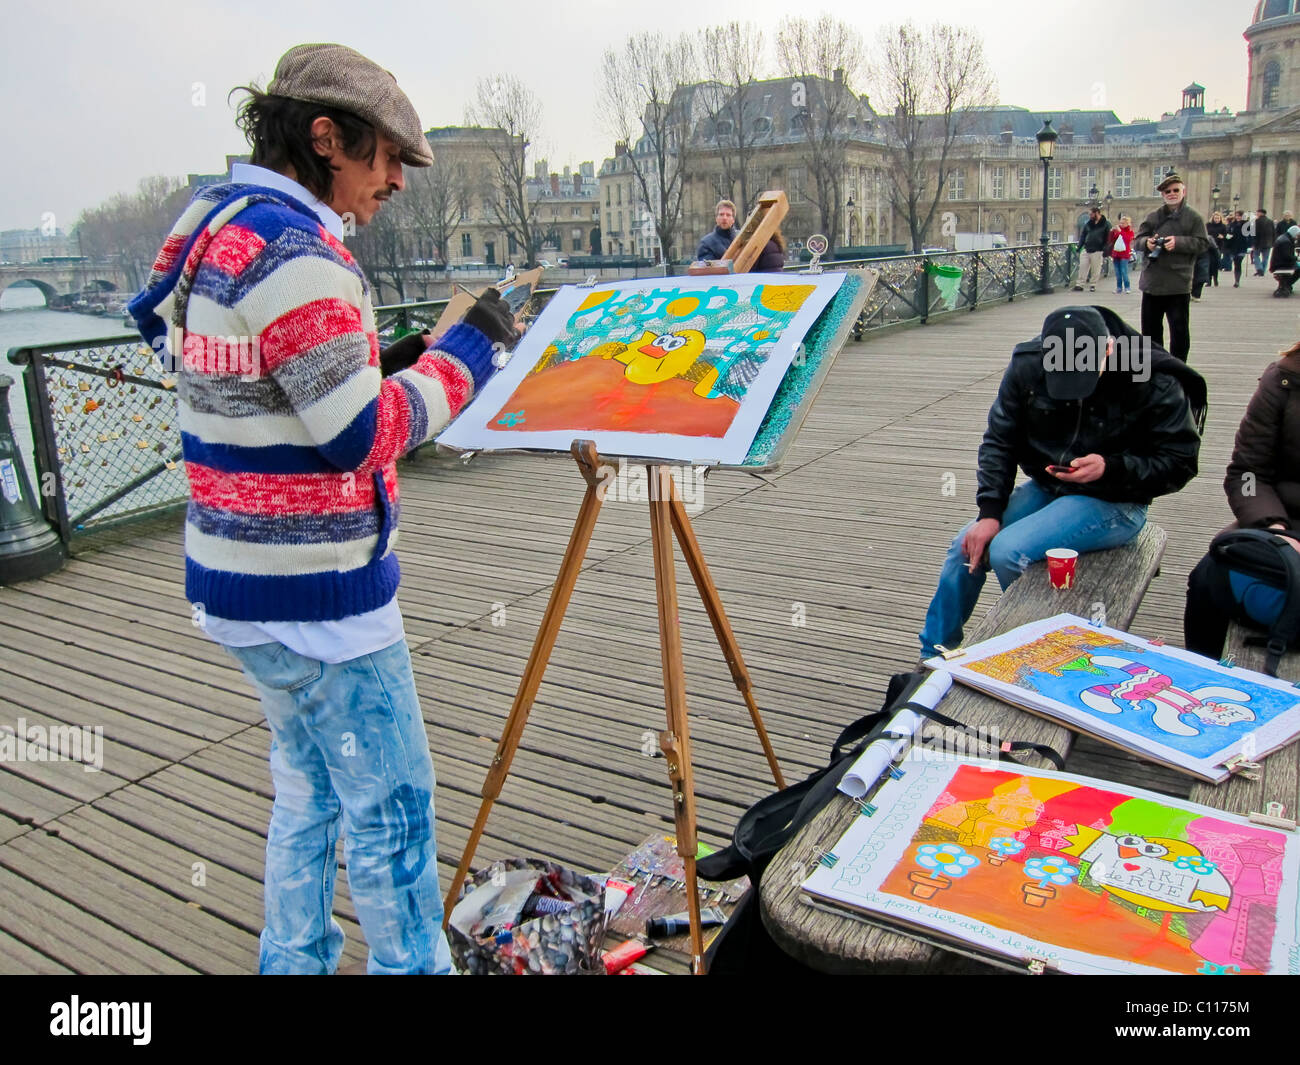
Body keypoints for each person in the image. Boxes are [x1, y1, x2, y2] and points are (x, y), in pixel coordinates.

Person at [128, 43, 522, 975]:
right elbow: (357, 436)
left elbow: (274, 387)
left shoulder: (223, 228)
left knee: (308, 792)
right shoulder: (295, 250)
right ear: (323, 137)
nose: (395, 178)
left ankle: (293, 959)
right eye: (384, 153)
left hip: (241, 586)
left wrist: (399, 352)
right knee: (392, 805)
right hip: (321, 604)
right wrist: (464, 358)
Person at [917, 305, 1205, 659]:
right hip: (1049, 487)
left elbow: (1181, 462)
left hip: (1117, 499)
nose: (1075, 392)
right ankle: (933, 656)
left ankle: (1037, 654)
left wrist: (1110, 467)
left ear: (1109, 349)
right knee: (966, 545)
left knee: (1009, 551)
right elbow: (999, 440)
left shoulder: (1150, 379)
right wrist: (989, 511)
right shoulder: (1028, 364)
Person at [1184, 338, 1300, 659]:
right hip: (1280, 522)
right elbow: (1246, 475)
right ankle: (1203, 670)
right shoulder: (1283, 379)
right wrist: (1274, 529)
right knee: (1207, 577)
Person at [1135, 173, 1210, 363]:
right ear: (1163, 195)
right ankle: (1155, 364)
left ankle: (1178, 365)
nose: (1172, 194)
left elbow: (1202, 244)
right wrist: (1148, 244)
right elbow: (1137, 241)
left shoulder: (1193, 217)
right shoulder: (1153, 216)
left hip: (1178, 282)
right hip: (1153, 282)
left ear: (1183, 191)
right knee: (1150, 331)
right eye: (1167, 191)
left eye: (1175, 190)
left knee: (1179, 329)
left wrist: (1178, 242)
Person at [1072, 206, 1110, 292]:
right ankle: (1080, 284)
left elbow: (1108, 237)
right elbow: (1083, 235)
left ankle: (1093, 284)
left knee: (1095, 268)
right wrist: (1079, 247)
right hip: (1087, 248)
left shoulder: (1106, 224)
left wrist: (1105, 248)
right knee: (1082, 266)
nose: (1090, 216)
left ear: (1096, 213)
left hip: (1098, 249)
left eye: (1091, 214)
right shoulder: (1089, 224)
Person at [1196, 210, 1228, 297]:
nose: (1216, 219)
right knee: (1209, 264)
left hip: (1218, 246)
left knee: (1215, 263)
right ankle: (1209, 281)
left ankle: (1215, 279)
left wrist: (1223, 236)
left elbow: (1226, 235)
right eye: (1215, 218)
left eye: (1218, 218)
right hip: (1208, 246)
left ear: (1220, 219)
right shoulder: (1208, 225)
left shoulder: (1223, 226)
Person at [1270, 223, 1300, 297]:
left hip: (1279, 262)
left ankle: (1287, 284)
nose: (1297, 237)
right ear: (1294, 233)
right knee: (1299, 269)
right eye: (1297, 235)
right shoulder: (1286, 241)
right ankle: (1287, 284)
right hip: (1281, 264)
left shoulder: (1285, 238)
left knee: (1298, 267)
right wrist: (1296, 258)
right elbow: (1287, 256)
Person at [1109, 215, 1136, 294]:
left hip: (1124, 254)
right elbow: (1111, 240)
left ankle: (1127, 287)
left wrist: (1120, 231)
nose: (1121, 225)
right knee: (1117, 272)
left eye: (1123, 223)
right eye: (1120, 223)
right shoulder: (1117, 231)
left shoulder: (1130, 231)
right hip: (1116, 253)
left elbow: (1127, 240)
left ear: (1127, 224)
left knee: (1124, 271)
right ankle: (1119, 287)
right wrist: (1111, 232)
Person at [1226, 210, 1249, 287]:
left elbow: (1251, 236)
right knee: (1236, 263)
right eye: (1237, 215)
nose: (1238, 217)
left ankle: (1237, 281)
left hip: (1242, 246)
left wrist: (1250, 246)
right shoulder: (1232, 224)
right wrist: (1228, 237)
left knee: (1238, 262)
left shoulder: (1247, 225)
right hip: (1233, 246)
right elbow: (1228, 233)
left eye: (1239, 216)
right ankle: (1236, 280)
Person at [1253, 208, 1276, 277]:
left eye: (1257, 213)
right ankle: (1262, 270)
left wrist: (1253, 243)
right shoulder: (1270, 221)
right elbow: (1274, 232)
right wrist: (1273, 242)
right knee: (1265, 258)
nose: (1256, 214)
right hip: (1268, 243)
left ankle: (1259, 269)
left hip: (1258, 243)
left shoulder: (1256, 221)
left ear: (1261, 213)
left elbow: (1254, 233)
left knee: (1256, 256)